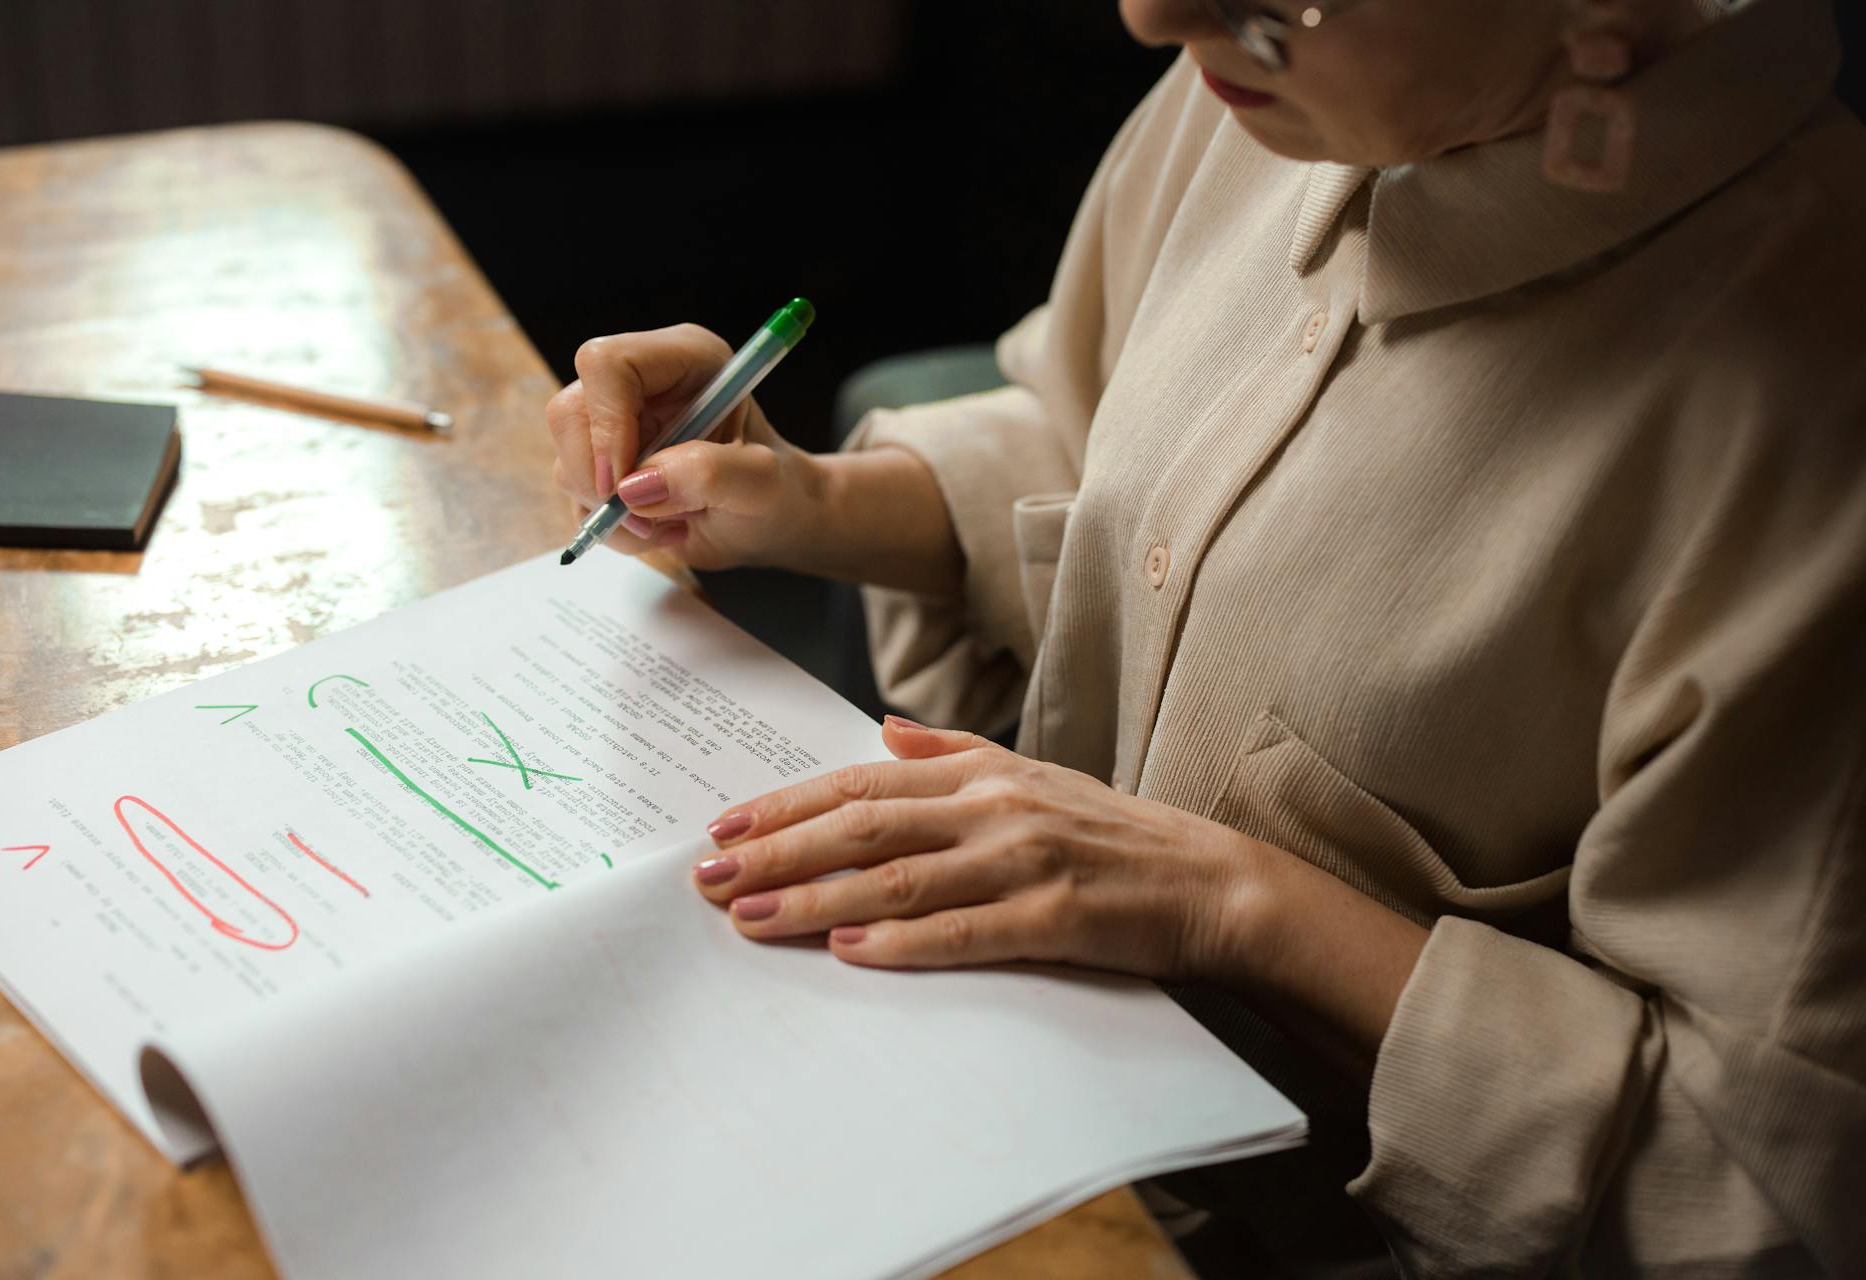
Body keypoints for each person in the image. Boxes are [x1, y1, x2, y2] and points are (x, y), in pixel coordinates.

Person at [546, 0, 1866, 1272]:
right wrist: (822, 502)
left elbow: (1761, 1197)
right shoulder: (1265, 92)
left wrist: (1230, 905)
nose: (1150, 17)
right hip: (1007, 1076)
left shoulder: (1812, 402)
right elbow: (1099, 444)